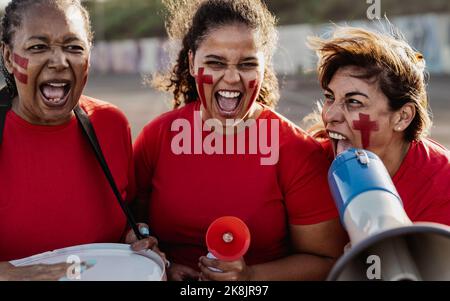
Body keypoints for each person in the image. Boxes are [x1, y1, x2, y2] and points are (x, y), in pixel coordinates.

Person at [134, 0, 348, 281]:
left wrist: (251, 276)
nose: (232, 78)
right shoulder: (158, 138)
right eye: (215, 62)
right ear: (191, 62)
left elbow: (327, 262)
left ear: (263, 68)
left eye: (247, 64)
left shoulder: (296, 151)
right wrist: (162, 264)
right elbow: (132, 228)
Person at [0, 0, 158, 280]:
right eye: (38, 47)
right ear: (9, 57)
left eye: (74, 47)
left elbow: (126, 215)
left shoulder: (112, 124)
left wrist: (134, 238)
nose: (60, 62)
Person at [306, 26, 450, 225]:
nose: (329, 115)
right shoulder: (311, 163)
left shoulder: (443, 183)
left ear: (402, 117)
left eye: (354, 101)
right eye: (330, 97)